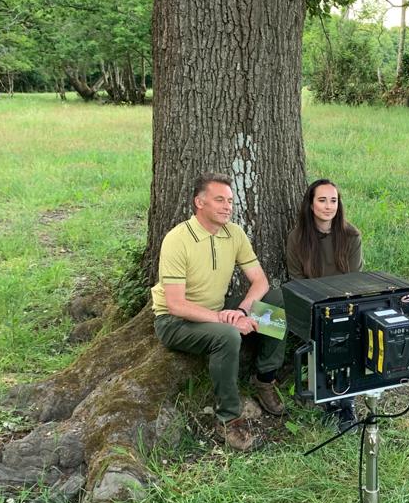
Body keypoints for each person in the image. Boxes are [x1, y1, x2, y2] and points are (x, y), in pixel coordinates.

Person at [151, 173, 285, 452]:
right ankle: (228, 418)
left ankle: (265, 379)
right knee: (227, 337)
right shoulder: (177, 239)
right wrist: (225, 320)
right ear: (199, 202)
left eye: (230, 201)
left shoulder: (233, 233)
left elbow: (260, 281)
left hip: (217, 310)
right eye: (219, 200)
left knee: (276, 301)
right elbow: (175, 304)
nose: (228, 206)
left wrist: (240, 311)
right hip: (175, 321)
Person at [285, 178, 363, 426]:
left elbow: (354, 281)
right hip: (313, 306)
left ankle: (347, 401)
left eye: (333, 200)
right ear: (310, 204)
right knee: (322, 338)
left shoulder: (351, 235)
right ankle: (328, 398)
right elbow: (296, 282)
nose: (328, 206)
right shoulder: (297, 238)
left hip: (345, 303)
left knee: (349, 335)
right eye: (322, 200)